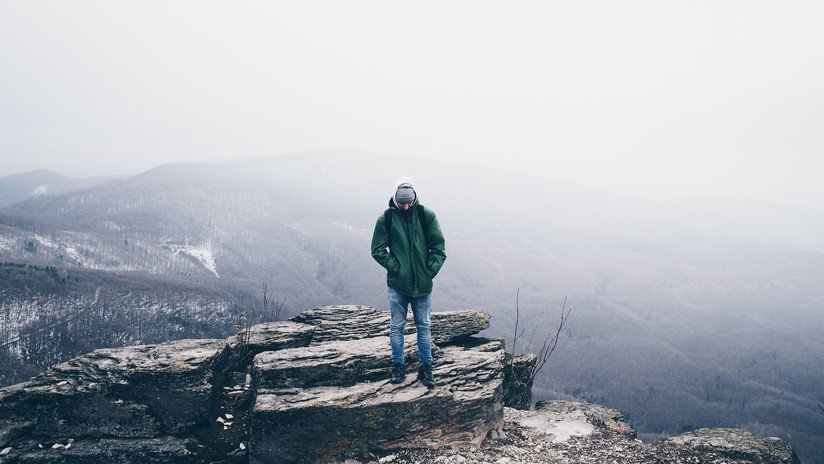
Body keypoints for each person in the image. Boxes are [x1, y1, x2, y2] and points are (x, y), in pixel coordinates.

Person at [371, 177, 446, 388]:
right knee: (397, 326)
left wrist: (428, 272)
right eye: (401, 202)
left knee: (424, 327)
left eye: (409, 202)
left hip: (422, 286)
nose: (405, 206)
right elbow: (377, 250)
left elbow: (438, 247)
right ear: (394, 198)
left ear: (414, 198)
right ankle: (398, 366)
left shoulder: (425, 215)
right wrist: (397, 268)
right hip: (398, 285)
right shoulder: (385, 219)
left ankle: (426, 369)